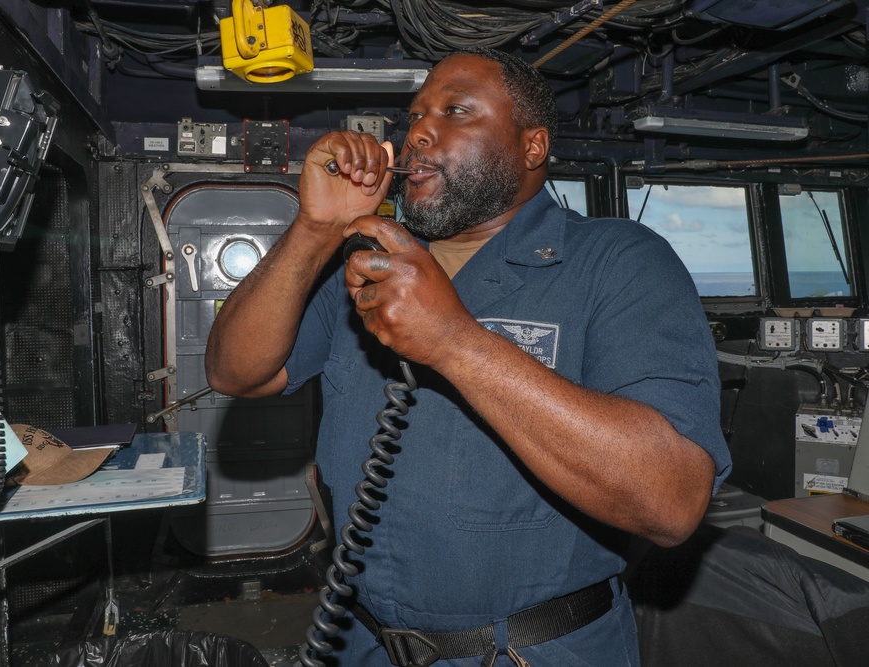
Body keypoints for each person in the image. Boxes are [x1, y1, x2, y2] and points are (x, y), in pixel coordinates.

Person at [206, 48, 732, 667]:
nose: (418, 133)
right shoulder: (368, 261)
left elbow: (671, 500)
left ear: (532, 148)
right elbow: (238, 372)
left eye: (456, 111)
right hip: (362, 642)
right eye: (415, 116)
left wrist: (456, 343)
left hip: (530, 651)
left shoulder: (616, 261)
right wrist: (315, 230)